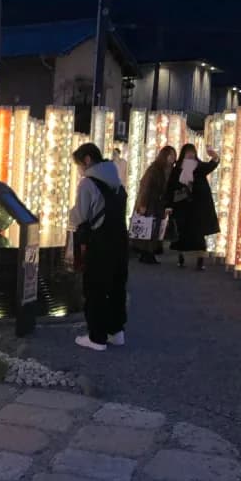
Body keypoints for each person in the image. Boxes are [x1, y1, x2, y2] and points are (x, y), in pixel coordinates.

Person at [69, 142, 128, 352]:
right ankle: (116, 332)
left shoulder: (88, 183)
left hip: (100, 242)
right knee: (116, 286)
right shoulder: (117, 181)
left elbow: (82, 215)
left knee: (95, 288)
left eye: (79, 165)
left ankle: (97, 337)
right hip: (120, 240)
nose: (79, 170)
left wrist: (70, 215)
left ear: (86, 160)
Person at [166, 143, 220, 270]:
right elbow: (171, 187)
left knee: (199, 235)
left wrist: (214, 156)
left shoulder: (199, 167)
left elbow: (211, 165)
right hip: (182, 207)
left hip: (198, 207)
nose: (190, 155)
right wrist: (168, 205)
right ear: (183, 154)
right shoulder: (177, 169)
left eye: (192, 153)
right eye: (188, 153)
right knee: (182, 234)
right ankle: (181, 259)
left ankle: (200, 261)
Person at [133, 146, 177, 264]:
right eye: (171, 155)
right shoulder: (155, 169)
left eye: (174, 155)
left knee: (155, 228)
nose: (173, 157)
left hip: (158, 203)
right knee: (149, 227)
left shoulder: (169, 170)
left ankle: (148, 253)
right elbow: (146, 186)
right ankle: (147, 253)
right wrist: (143, 204)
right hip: (150, 202)